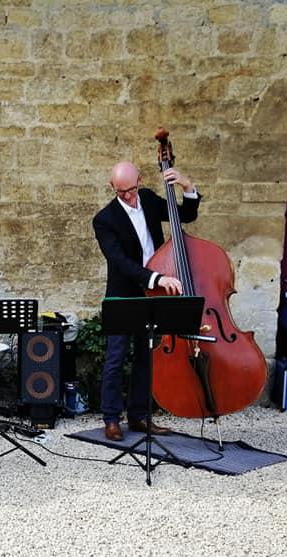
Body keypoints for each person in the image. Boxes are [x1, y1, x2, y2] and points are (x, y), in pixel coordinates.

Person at [91, 160, 201, 441]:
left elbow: (184, 217)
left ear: (139, 181)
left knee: (146, 356)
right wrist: (156, 278)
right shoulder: (104, 219)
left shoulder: (150, 199)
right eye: (120, 192)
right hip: (124, 294)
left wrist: (187, 186)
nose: (127, 196)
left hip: (154, 294)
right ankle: (111, 419)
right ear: (112, 187)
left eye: (131, 189)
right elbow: (120, 262)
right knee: (116, 358)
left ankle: (139, 417)